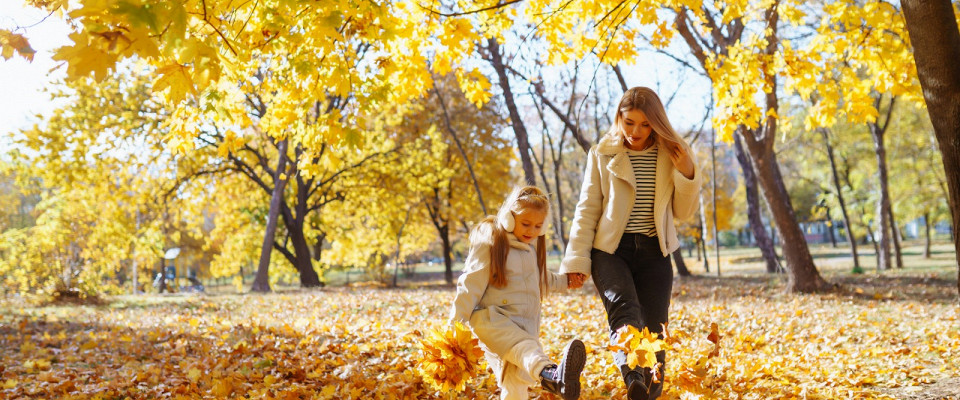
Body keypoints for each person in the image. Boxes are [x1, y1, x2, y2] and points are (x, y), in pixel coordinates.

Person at [560, 87, 702, 400]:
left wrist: (686, 172)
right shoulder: (602, 152)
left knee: (654, 328)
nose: (635, 131)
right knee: (624, 310)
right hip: (611, 251)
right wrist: (576, 261)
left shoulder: (672, 153)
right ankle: (632, 377)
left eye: (644, 124)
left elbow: (683, 211)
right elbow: (587, 209)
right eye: (629, 122)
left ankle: (647, 392)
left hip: (655, 252)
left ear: (656, 123)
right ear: (619, 119)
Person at [451, 186, 587, 400]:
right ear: (509, 218)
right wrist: (454, 328)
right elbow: (470, 286)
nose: (531, 231)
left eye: (537, 226)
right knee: (526, 349)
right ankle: (551, 374)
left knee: (515, 388)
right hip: (493, 322)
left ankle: (553, 378)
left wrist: (566, 281)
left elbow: (542, 280)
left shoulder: (530, 249)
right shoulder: (492, 244)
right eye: (525, 224)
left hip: (524, 325)